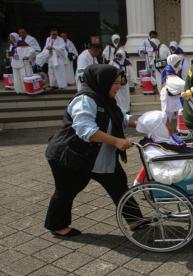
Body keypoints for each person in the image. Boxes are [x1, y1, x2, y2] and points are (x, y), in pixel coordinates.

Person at [44, 64, 144, 237]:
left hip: (98, 156)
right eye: (115, 83)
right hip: (70, 156)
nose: (118, 87)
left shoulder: (105, 98)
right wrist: (116, 141)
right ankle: (57, 225)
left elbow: (120, 117)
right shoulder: (85, 99)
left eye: (120, 83)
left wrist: (145, 123)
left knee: (118, 184)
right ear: (102, 82)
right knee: (67, 190)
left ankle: (135, 220)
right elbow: (85, 130)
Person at [160, 54, 184, 121]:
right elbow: (172, 80)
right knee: (167, 115)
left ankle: (174, 128)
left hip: (172, 95)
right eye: (178, 63)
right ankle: (165, 129)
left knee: (179, 111)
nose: (179, 64)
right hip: (167, 95)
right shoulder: (168, 70)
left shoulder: (172, 69)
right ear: (173, 62)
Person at [110, 49, 132, 114]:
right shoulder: (112, 62)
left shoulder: (127, 63)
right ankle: (118, 110)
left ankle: (126, 110)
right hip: (116, 83)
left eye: (120, 56)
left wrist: (125, 77)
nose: (118, 57)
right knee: (117, 97)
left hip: (124, 85)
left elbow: (130, 74)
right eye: (117, 55)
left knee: (125, 98)